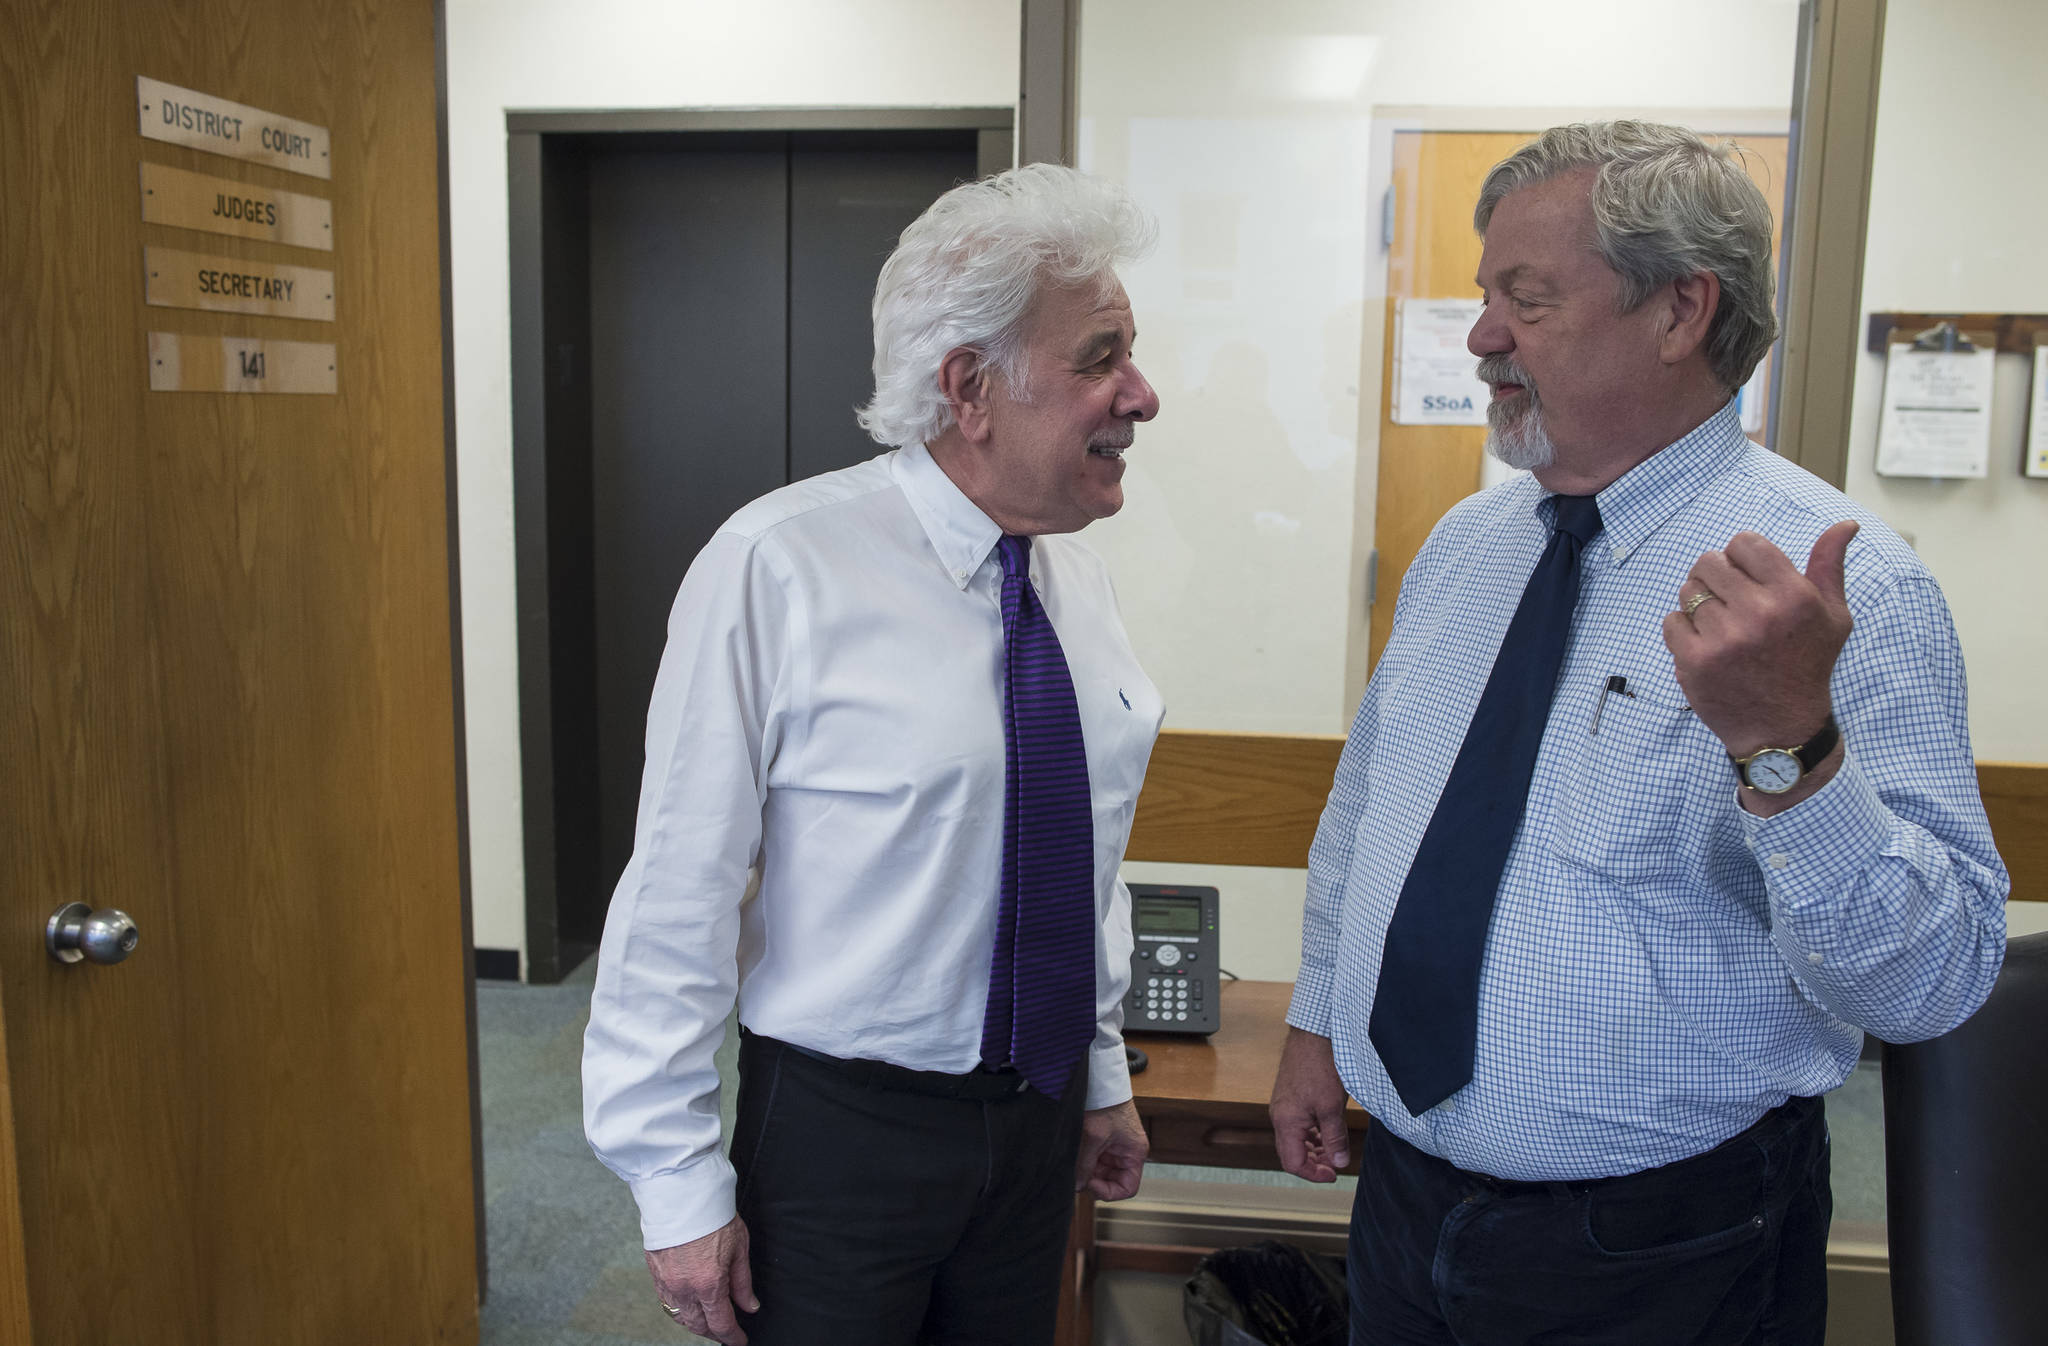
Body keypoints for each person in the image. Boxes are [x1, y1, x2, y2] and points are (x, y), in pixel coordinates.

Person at [1270, 121, 2008, 1345]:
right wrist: (1313, 1021)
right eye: (1481, 294)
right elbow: (1368, 811)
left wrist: (1788, 747)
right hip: (1401, 1197)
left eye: (1527, 297)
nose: (1480, 336)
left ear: (1678, 311)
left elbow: (1931, 981)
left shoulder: (1838, 589)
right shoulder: (1465, 546)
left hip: (1661, 1249)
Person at [582, 163, 1165, 1346]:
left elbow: (1077, 850)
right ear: (969, 388)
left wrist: (1098, 1067)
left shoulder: (1074, 578)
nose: (1141, 394)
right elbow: (677, 889)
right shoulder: (778, 564)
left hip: (1037, 1114)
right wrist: (675, 1180)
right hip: (845, 1135)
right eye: (1099, 356)